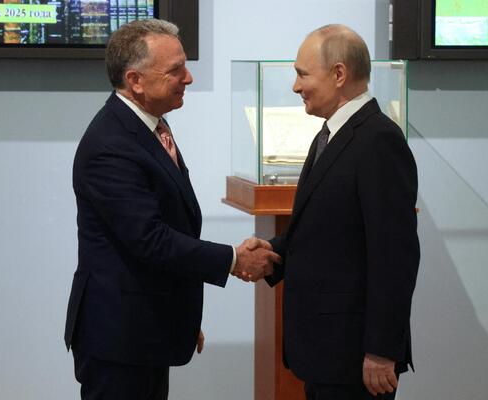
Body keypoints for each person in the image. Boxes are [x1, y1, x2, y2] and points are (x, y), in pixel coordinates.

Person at [64, 19, 279, 400]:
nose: (189, 78)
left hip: (146, 329)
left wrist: (179, 315)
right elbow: (150, 239)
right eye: (175, 70)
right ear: (135, 80)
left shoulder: (148, 126)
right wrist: (233, 259)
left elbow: (171, 222)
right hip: (119, 338)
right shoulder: (111, 145)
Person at [254, 24, 420, 400]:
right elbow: (327, 232)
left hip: (356, 357)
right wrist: (271, 253)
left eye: (302, 74)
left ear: (339, 73)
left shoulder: (379, 140)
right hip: (327, 353)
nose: (296, 86)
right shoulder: (330, 135)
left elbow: (395, 255)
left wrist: (381, 350)